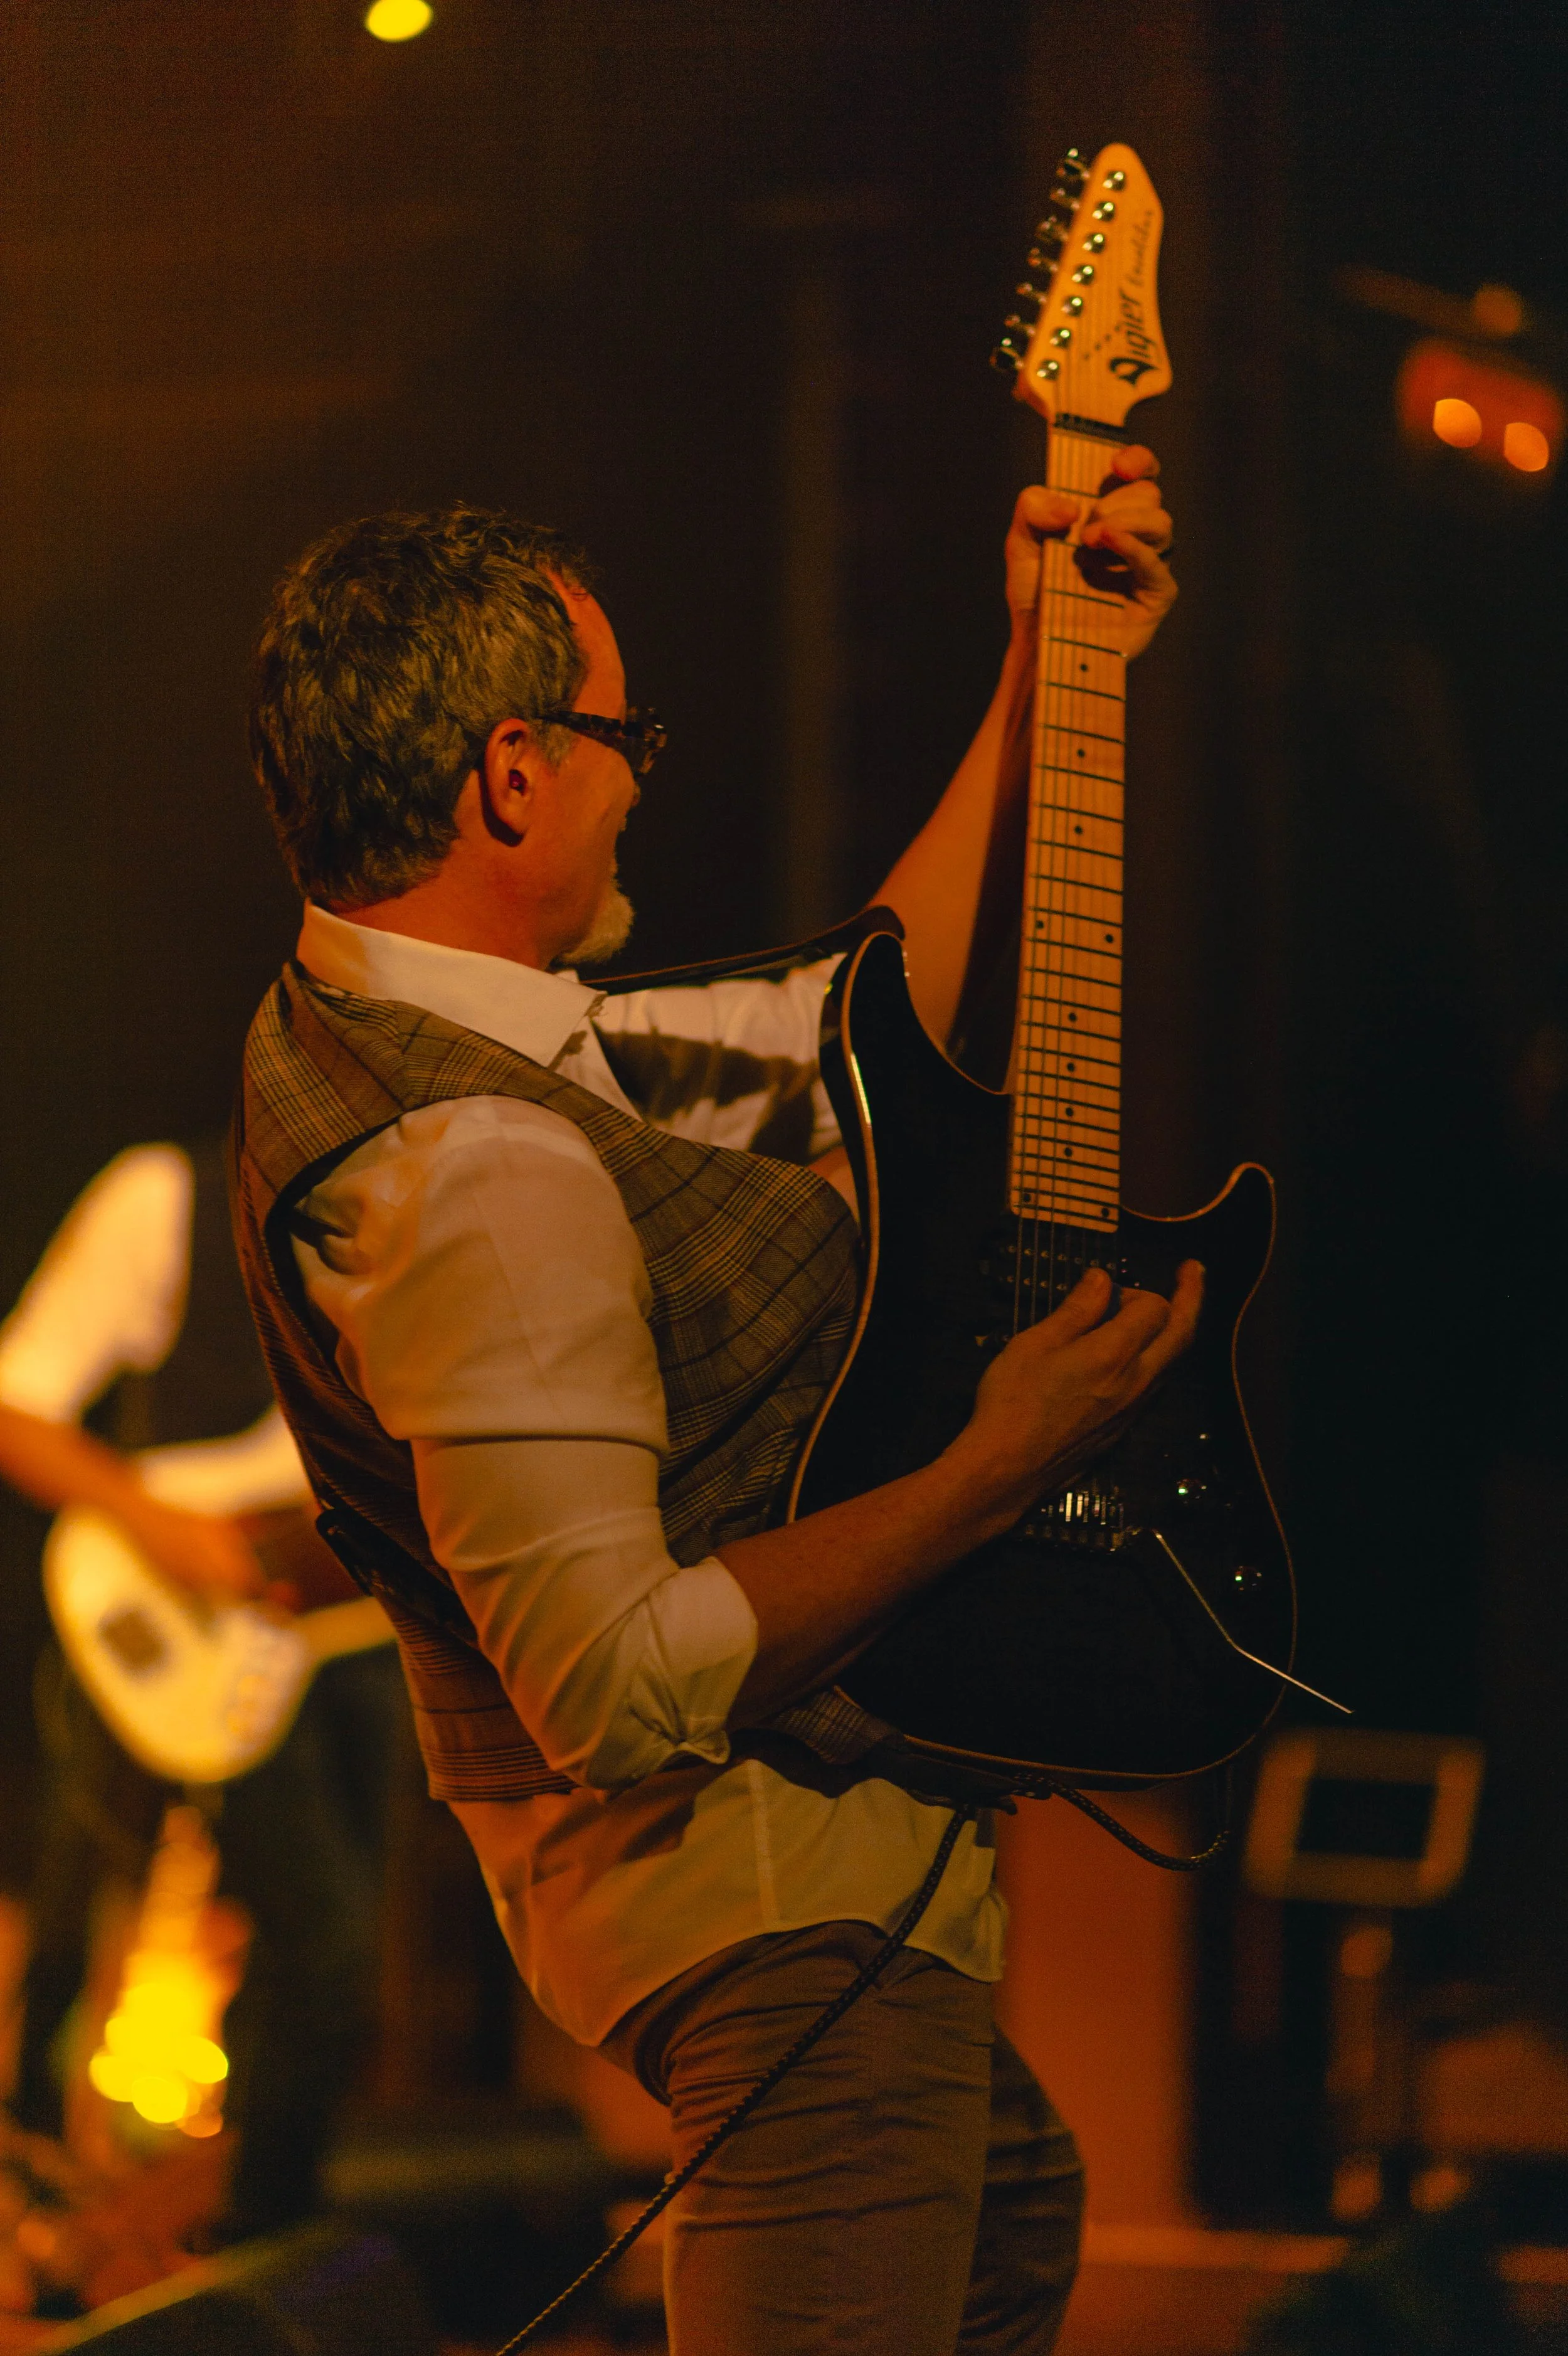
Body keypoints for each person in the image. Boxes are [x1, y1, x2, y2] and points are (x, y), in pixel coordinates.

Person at [231, 460, 1196, 2354]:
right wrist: (1004, 1455)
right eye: (619, 733)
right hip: (763, 1908)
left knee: (1007, 2207)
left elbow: (861, 1021)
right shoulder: (478, 1173)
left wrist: (1039, 671)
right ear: (512, 773)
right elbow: (616, 1687)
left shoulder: (432, 1024)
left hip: (784, 1902)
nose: (638, 775)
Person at [0, 1138, 401, 2248]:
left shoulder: (450, 1211)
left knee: (334, 1956)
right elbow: (17, 1402)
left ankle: (254, 2237)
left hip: (356, 1631)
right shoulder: (169, 1189)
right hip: (176, 1616)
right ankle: (95, 2205)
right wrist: (160, 1527)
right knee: (145, 1911)